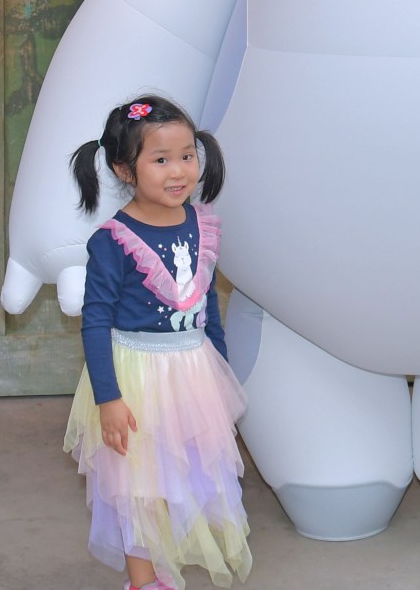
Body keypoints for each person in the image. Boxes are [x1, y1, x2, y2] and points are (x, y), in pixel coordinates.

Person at [64, 95, 253, 590]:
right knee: (140, 486)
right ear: (125, 170)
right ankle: (143, 580)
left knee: (184, 477)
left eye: (187, 156)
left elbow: (207, 304)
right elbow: (95, 321)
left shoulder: (200, 225)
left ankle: (164, 563)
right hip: (138, 377)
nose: (179, 171)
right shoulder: (113, 240)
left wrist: (221, 374)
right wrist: (108, 398)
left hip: (194, 373)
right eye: (161, 160)